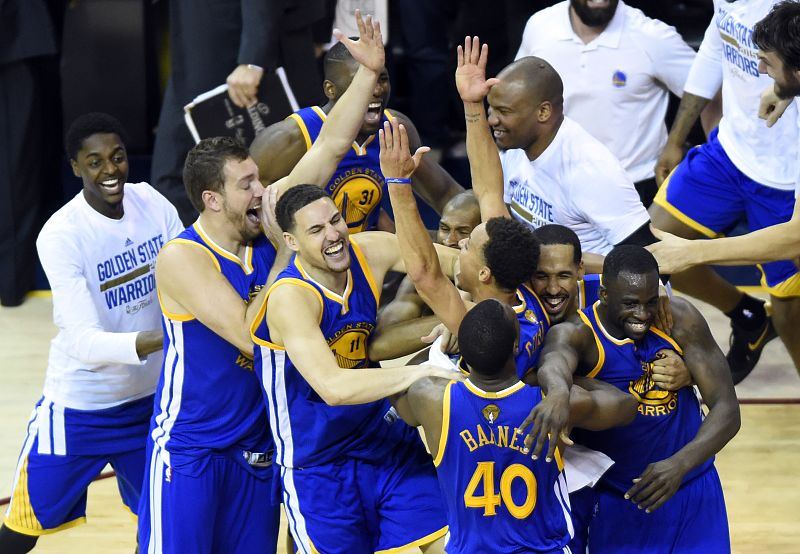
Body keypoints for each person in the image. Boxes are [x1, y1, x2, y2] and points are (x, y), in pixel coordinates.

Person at [138, 12, 394, 553]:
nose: (263, 192)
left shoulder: (267, 230)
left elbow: (326, 148)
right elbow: (253, 332)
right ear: (212, 199)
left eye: (260, 180)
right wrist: (286, 247)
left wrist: (369, 74)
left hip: (259, 446)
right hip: (193, 451)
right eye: (249, 185)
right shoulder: (182, 259)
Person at [0, 113, 184, 553]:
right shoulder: (61, 234)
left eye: (118, 158)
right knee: (21, 534)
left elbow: (189, 266)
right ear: (76, 167)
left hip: (152, 403)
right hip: (81, 408)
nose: (111, 171)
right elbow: (84, 342)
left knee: (163, 523)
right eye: (95, 161)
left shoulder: (150, 201)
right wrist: (174, 335)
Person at [251, 183, 460, 553]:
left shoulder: (370, 251)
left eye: (335, 220)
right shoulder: (290, 297)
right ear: (292, 242)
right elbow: (334, 387)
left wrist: (463, 312)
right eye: (316, 230)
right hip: (317, 461)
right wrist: (420, 372)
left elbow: (453, 263)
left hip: (384, 439)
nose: (333, 235)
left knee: (450, 544)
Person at [523, 245, 740, 552]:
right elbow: (554, 362)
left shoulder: (677, 319)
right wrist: (558, 392)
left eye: (651, 302)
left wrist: (679, 465)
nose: (642, 314)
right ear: (604, 294)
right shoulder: (578, 334)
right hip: (621, 501)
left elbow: (728, 409)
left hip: (692, 489)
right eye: (631, 304)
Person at [391, 298, 638, 553]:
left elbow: (397, 391)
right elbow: (627, 406)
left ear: (463, 348)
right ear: (517, 346)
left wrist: (435, 350)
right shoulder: (553, 404)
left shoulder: (432, 399)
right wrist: (560, 383)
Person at [651, 0, 800, 382]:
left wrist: (693, 252)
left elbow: (794, 237)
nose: (759, 71)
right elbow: (716, 43)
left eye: (766, 63)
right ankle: (748, 317)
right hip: (730, 153)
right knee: (651, 242)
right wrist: (677, 137)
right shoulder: (784, 74)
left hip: (785, 179)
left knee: (789, 311)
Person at [380, 117, 550, 379]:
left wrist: (398, 184)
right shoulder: (524, 291)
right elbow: (489, 191)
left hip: (478, 414)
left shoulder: (483, 326)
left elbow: (425, 274)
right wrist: (471, 107)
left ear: (485, 273)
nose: (459, 244)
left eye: (468, 245)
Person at [249, 37, 465, 233]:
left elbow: (445, 193)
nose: (376, 89)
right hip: (303, 263)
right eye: (361, 81)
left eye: (381, 78)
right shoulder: (290, 137)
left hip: (365, 259)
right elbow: (245, 215)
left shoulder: (395, 128)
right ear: (330, 90)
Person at [472, 38, 653, 255]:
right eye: (491, 109)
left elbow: (649, 261)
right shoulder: (515, 146)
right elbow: (497, 211)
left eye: (504, 111)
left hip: (590, 286)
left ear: (543, 112)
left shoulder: (591, 169)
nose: (492, 120)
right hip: (538, 280)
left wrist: (564, 263)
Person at [151, 0, 325, 225]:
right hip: (195, 50)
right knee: (175, 175)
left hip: (238, 56)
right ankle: (212, 252)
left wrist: (253, 60)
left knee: (267, 175)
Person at [515, 0, 699, 207]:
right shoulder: (540, 26)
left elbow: (708, 88)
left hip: (632, 188)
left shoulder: (652, 36)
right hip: (551, 187)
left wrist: (677, 141)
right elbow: (517, 97)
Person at [369, 190, 481, 361]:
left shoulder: (492, 275)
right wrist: (454, 319)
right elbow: (378, 346)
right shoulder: (429, 261)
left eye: (462, 231)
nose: (450, 240)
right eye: (444, 228)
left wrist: (460, 319)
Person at [0, 0, 59, 306]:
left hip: (14, 37)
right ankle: (10, 283)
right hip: (12, 38)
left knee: (17, 170)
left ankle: (11, 282)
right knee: (14, 173)